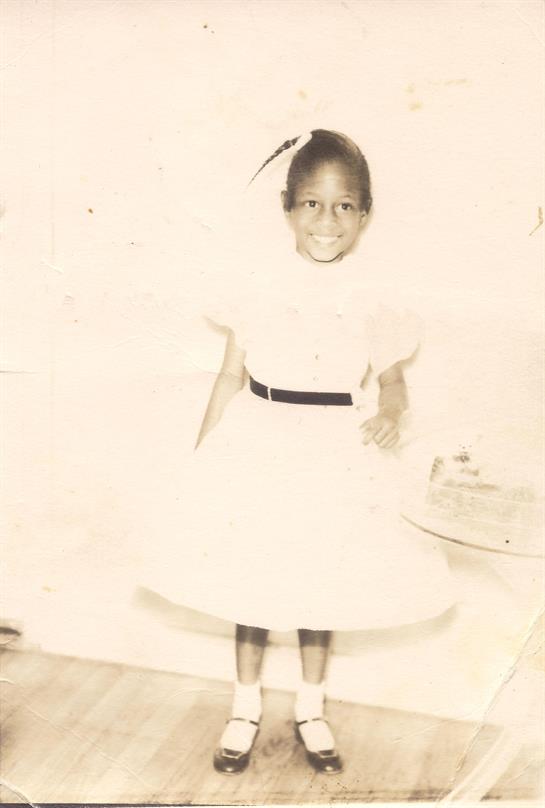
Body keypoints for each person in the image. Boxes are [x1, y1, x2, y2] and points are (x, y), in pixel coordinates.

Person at [139, 129, 454, 776]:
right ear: (287, 207)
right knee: (248, 580)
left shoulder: (375, 298)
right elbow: (230, 376)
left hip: (333, 451)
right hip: (260, 440)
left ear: (364, 216)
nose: (326, 221)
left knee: (323, 581)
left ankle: (312, 708)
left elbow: (391, 382)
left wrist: (392, 415)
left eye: (344, 206)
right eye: (312, 203)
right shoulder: (256, 287)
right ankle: (244, 706)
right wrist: (205, 451)